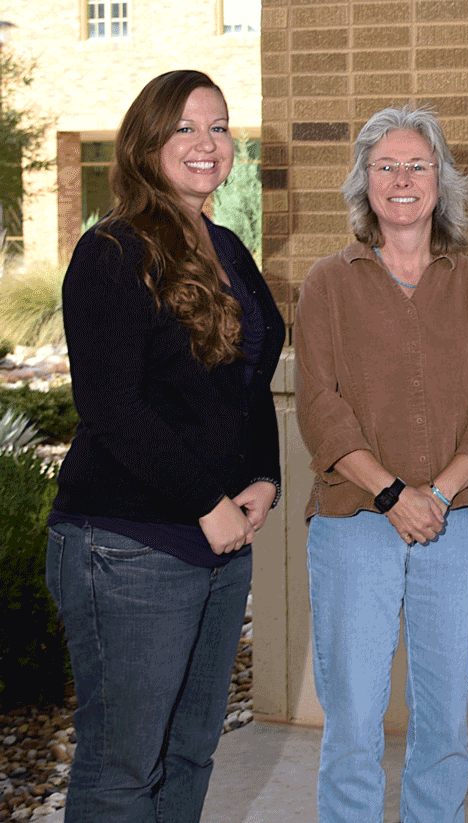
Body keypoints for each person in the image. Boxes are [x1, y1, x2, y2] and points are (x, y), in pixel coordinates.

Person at [47, 69, 285, 822]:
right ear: (145, 143)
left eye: (218, 127)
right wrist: (204, 501)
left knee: (189, 754)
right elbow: (112, 408)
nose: (206, 143)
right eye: (184, 127)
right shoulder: (112, 252)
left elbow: (248, 380)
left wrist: (265, 477)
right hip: (127, 543)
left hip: (219, 539)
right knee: (123, 767)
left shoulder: (226, 246)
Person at [294, 104, 468, 823]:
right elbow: (320, 406)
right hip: (354, 520)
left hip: (455, 524)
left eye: (416, 164)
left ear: (442, 180)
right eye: (384, 165)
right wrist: (393, 493)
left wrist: (438, 495)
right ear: (363, 181)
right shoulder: (328, 283)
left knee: (445, 719)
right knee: (355, 719)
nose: (401, 179)